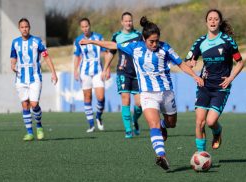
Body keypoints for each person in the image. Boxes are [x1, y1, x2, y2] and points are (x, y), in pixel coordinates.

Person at [80, 16, 204, 170]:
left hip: (166, 93)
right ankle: (161, 155)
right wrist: (93, 42)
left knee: (171, 123)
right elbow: (113, 45)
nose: (154, 44)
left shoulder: (165, 48)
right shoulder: (135, 47)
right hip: (147, 93)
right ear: (144, 39)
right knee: (153, 124)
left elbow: (180, 64)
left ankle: (164, 126)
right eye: (151, 41)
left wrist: (194, 76)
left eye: (156, 41)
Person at [185, 9, 244, 152]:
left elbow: (240, 62)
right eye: (210, 19)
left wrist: (230, 78)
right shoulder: (200, 42)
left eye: (216, 19)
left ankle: (217, 132)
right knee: (200, 122)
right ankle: (201, 153)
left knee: (211, 122)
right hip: (204, 85)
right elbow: (186, 62)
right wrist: (191, 66)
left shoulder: (227, 41)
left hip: (221, 87)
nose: (212, 21)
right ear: (206, 22)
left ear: (220, 22)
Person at [10, 18, 58, 141]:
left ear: (29, 27)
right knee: (25, 104)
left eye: (26, 27)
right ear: (19, 28)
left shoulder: (37, 41)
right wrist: (12, 65)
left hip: (35, 77)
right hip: (21, 78)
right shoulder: (15, 42)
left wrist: (53, 73)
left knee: (34, 104)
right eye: (22, 27)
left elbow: (46, 57)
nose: (24, 29)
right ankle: (30, 132)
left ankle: (39, 126)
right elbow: (13, 57)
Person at [102, 12, 143, 138]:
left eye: (130, 21)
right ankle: (128, 129)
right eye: (126, 21)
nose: (128, 23)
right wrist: (106, 68)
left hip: (137, 73)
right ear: (122, 22)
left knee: (139, 104)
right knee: (126, 99)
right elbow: (110, 53)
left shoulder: (139, 35)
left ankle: (135, 120)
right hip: (123, 71)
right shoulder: (117, 36)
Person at [73, 18, 108, 133]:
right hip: (84, 72)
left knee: (101, 97)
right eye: (82, 27)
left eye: (86, 26)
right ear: (80, 28)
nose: (85, 29)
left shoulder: (98, 37)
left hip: (98, 70)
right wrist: (75, 70)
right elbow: (77, 56)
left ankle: (98, 117)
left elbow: (106, 52)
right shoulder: (78, 40)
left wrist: (106, 69)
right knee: (87, 97)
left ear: (90, 26)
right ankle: (91, 124)